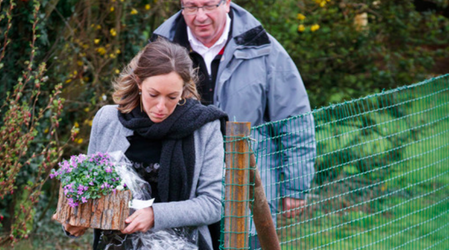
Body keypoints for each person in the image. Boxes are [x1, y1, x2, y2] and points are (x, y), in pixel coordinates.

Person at [150, 1, 316, 249]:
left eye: (208, 5)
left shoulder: (263, 48)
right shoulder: (160, 50)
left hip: (248, 188)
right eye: (191, 7)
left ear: (226, 3)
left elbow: (295, 120)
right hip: (183, 190)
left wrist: (295, 186)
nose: (200, 16)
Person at [54, 38, 228, 250]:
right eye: (153, 95)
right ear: (138, 82)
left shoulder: (204, 127)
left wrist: (155, 215)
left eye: (172, 96)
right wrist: (74, 222)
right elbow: (90, 193)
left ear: (183, 90)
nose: (161, 107)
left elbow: (214, 204)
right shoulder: (108, 119)